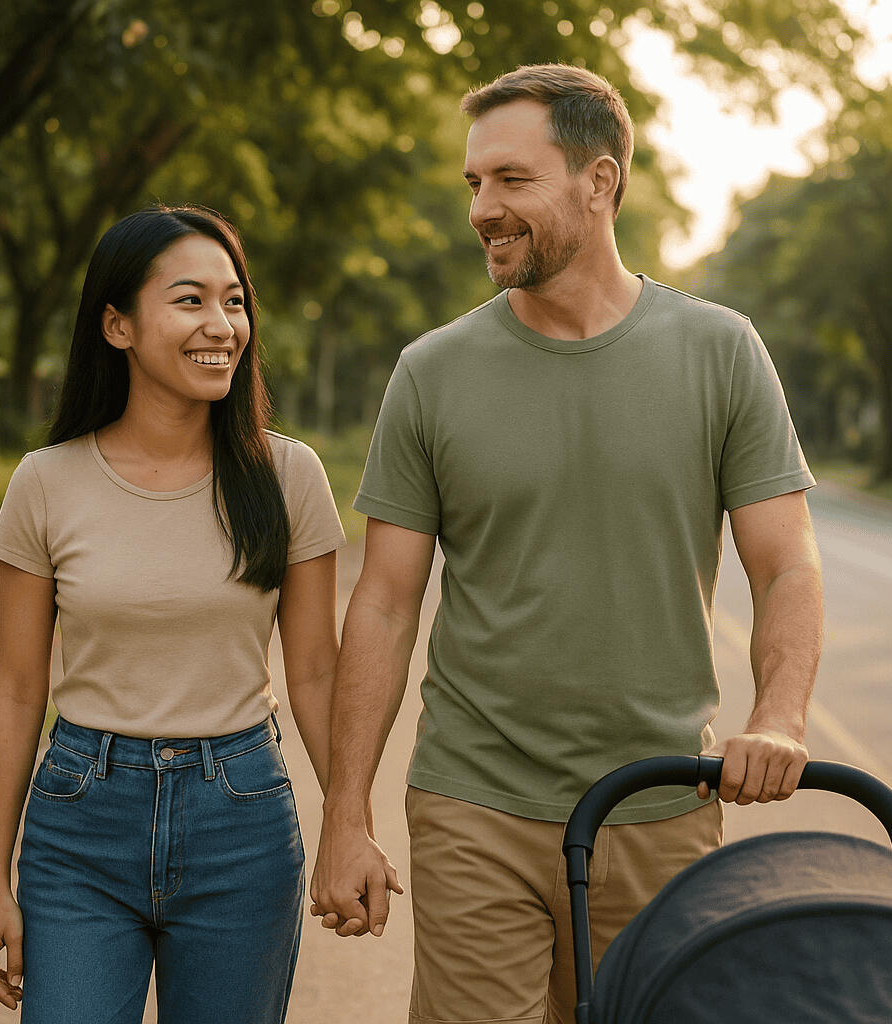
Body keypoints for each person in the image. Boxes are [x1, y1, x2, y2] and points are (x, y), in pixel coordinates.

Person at [310, 64, 823, 1024]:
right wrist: (345, 817)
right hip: (475, 805)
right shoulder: (431, 373)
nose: (482, 210)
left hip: (661, 800)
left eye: (512, 180)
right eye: (474, 184)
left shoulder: (720, 351)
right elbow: (381, 602)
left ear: (601, 180)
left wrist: (781, 717)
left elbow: (785, 560)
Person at [0, 204, 345, 1023]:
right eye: (189, 300)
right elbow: (17, 689)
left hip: (240, 820)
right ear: (117, 326)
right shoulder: (46, 481)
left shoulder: (288, 476)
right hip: (79, 824)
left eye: (234, 300)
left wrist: (348, 820)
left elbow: (315, 673)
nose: (222, 325)